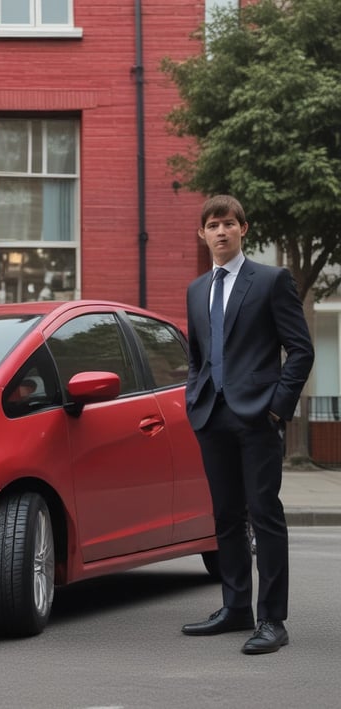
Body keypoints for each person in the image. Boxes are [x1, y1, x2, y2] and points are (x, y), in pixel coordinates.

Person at [181, 195, 314, 655]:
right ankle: (235, 607)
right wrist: (192, 400)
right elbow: (196, 356)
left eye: (228, 224)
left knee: (265, 515)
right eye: (212, 225)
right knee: (226, 516)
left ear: (244, 229)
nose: (220, 231)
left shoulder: (271, 281)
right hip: (211, 416)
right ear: (203, 234)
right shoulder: (197, 290)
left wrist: (277, 407)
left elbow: (301, 350)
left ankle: (272, 620)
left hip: (257, 416)